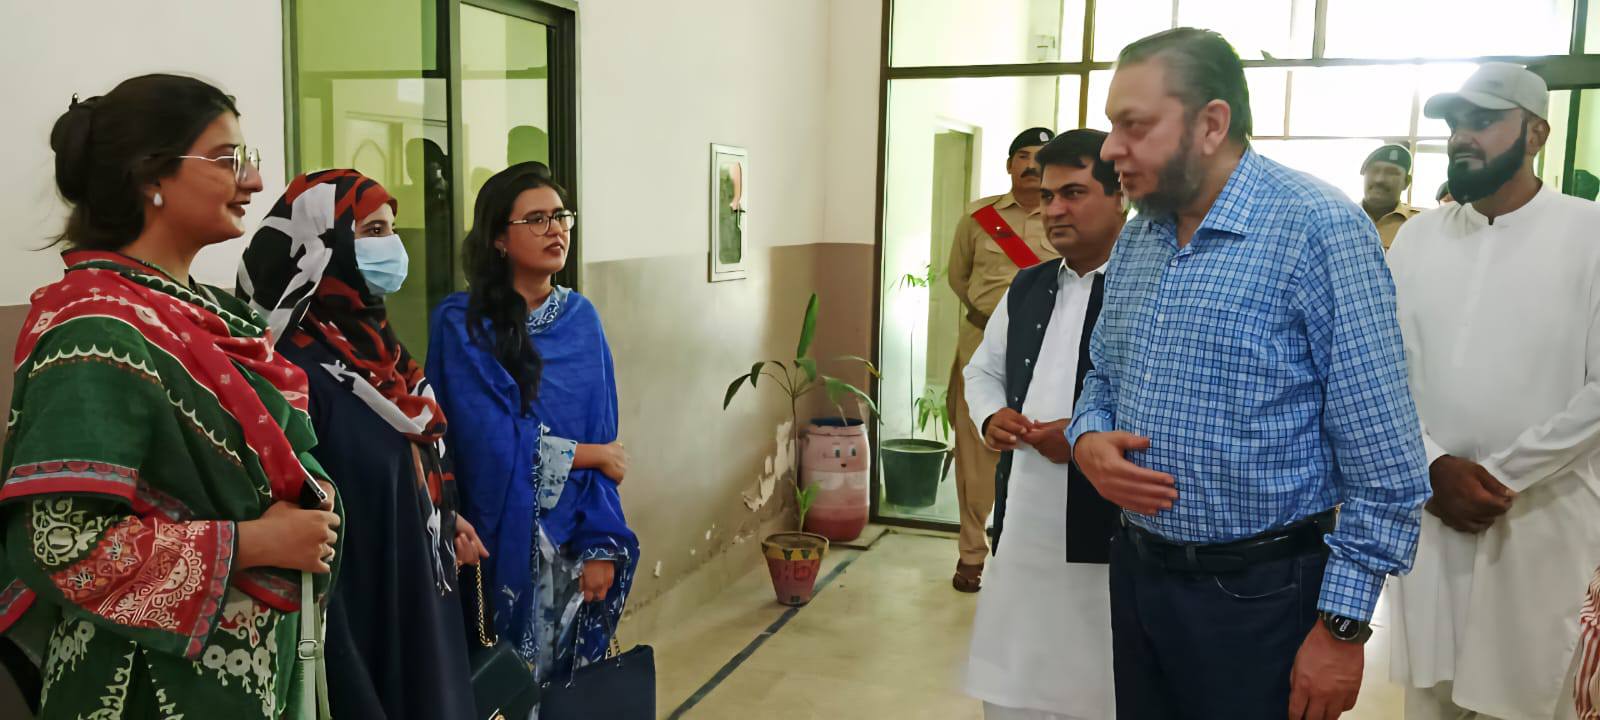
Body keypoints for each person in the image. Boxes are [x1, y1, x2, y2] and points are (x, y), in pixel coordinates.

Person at [1069, 28, 1429, 719]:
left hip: (1261, 597)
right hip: (1140, 574)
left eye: (1134, 125)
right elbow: (1104, 372)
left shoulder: (1317, 229)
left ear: (1211, 124)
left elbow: (1385, 461)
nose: (1111, 148)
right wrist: (1087, 437)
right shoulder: (1141, 234)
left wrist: (1341, 630)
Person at [0, 74, 342, 718]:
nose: (253, 181)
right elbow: (61, 541)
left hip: (255, 670)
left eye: (248, 159)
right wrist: (255, 543)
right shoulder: (96, 330)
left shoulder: (212, 315)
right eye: (227, 159)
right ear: (148, 175)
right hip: (142, 685)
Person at [1387, 62, 1600, 720]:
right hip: (1434, 510)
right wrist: (1432, 465)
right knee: (1431, 698)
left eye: (1482, 121)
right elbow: (1383, 372)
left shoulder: (1590, 233)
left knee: (1528, 696)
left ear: (1536, 134)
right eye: (1455, 123)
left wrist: (1503, 475)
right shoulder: (1417, 237)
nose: (1462, 136)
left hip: (1538, 515)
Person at [237, 169, 489, 720]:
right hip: (364, 620)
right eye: (372, 230)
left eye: (391, 229)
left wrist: (442, 515)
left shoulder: (380, 353)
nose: (392, 246)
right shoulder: (293, 373)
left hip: (421, 595)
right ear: (320, 246)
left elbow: (403, 459)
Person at [426, 162, 638, 688]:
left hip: (573, 549)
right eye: (537, 219)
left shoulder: (582, 320)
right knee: (501, 690)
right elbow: (486, 445)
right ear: (499, 238)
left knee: (570, 691)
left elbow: (604, 435)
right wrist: (589, 455)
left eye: (561, 216)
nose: (556, 230)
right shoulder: (462, 324)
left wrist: (600, 542)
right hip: (492, 543)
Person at [962, 129, 1125, 720]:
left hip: (1110, 524)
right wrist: (992, 416)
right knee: (1016, 679)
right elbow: (982, 371)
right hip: (1026, 514)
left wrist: (1082, 438)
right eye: (1049, 195)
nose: (1054, 209)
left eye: (1074, 193)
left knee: (1100, 679)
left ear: (1121, 195)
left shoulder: (1150, 289)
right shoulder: (1030, 284)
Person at [946, 126, 1060, 592]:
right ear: (1009, 164)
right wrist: (993, 321)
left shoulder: (1064, 214)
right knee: (976, 454)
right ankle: (971, 555)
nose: (1032, 165)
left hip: (1047, 348)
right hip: (981, 344)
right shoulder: (979, 218)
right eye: (1023, 156)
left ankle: (1022, 555)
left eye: (1041, 157)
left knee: (1038, 444)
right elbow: (958, 278)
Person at [1359, 143, 1420, 248]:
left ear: (1406, 182)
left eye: (1391, 173)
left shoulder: (1420, 225)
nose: (1379, 180)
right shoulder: (1341, 219)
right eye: (1373, 171)